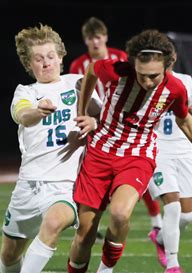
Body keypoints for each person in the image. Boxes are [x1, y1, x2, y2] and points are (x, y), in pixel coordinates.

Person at [49, 29, 192, 273]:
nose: (148, 81)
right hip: (99, 154)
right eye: (142, 74)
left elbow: (185, 117)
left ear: (167, 66)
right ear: (132, 63)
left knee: (121, 214)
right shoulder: (114, 71)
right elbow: (89, 73)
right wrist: (84, 110)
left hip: (138, 157)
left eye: (154, 76)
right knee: (85, 232)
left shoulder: (175, 88)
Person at [0, 23, 101, 273]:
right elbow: (22, 115)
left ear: (61, 57)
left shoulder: (78, 83)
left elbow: (105, 118)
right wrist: (38, 111)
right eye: (38, 58)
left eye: (51, 55)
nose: (46, 62)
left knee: (54, 223)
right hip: (28, 184)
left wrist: (94, 123)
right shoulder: (27, 91)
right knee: (10, 253)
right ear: (29, 64)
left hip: (64, 184)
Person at [70, 16, 163, 235]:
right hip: (94, 121)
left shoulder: (119, 58)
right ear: (85, 40)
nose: (95, 42)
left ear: (105, 37)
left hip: (119, 123)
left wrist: (99, 121)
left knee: (134, 169)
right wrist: (84, 115)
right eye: (90, 38)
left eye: (98, 37)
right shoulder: (78, 65)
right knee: (82, 168)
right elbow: (78, 90)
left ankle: (155, 217)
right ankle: (83, 219)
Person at [147, 42, 192, 273]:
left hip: (183, 149)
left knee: (188, 215)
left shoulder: (184, 80)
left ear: (174, 57)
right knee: (172, 205)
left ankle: (159, 237)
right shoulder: (147, 80)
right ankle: (173, 264)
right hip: (157, 151)